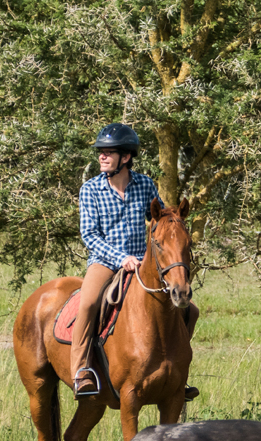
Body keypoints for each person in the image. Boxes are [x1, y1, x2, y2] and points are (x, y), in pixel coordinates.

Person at [72, 123, 200, 399]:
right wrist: (121, 258)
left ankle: (178, 372)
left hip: (142, 263)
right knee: (88, 303)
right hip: (105, 261)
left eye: (108, 152)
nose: (102, 157)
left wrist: (175, 220)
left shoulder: (144, 185)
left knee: (192, 310)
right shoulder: (91, 190)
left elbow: (159, 217)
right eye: (101, 152)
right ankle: (82, 371)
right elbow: (89, 235)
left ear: (126, 157)